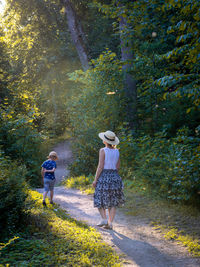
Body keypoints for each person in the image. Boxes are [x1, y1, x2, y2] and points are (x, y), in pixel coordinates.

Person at [93, 130, 125, 230]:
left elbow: (100, 166)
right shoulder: (117, 151)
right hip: (115, 176)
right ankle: (110, 223)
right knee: (113, 201)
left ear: (105, 141)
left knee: (99, 196)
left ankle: (104, 219)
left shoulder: (103, 150)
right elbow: (118, 165)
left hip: (105, 176)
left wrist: (95, 179)